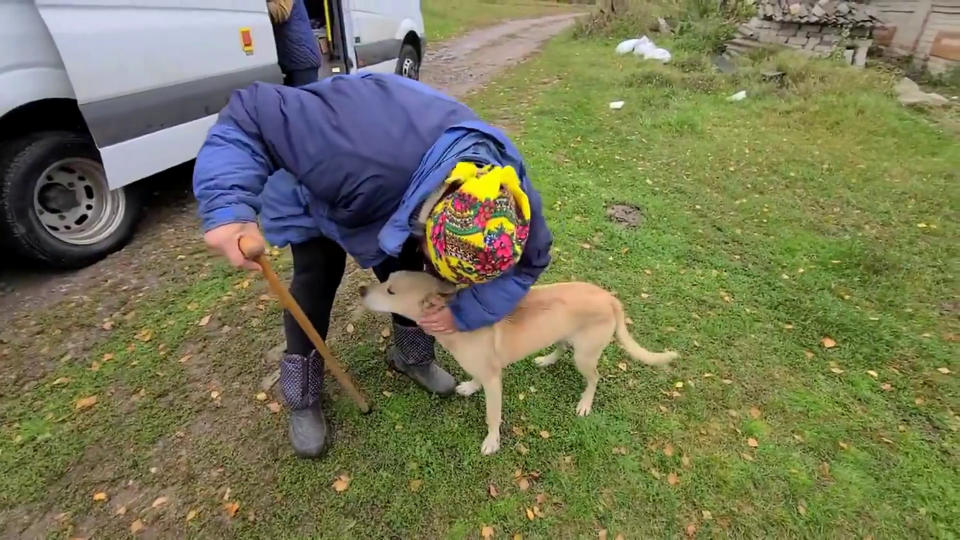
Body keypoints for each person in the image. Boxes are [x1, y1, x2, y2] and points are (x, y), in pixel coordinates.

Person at [193, 73, 553, 458]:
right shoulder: (341, 145)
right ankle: (303, 395)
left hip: (387, 187)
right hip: (312, 183)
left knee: (404, 268)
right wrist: (227, 205)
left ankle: (411, 355)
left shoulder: (508, 196)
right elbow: (251, 113)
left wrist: (462, 314)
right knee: (317, 274)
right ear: (424, 222)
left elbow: (530, 264)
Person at [266, 0, 322, 87]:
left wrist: (257, 7)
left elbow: (281, 11)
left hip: (301, 59)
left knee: (302, 98)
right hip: (295, 59)